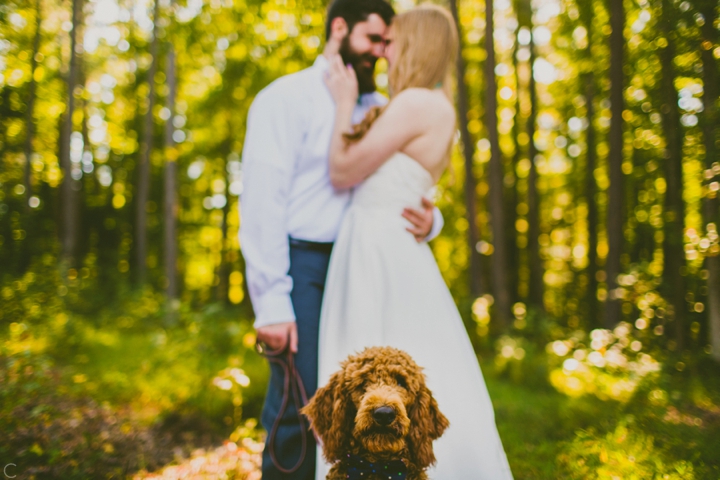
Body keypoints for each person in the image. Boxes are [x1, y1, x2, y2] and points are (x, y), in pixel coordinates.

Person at [239, 0, 445, 477]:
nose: (381, 52)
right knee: (303, 402)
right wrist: (271, 301)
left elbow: (402, 180)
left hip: (367, 268)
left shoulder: (380, 106)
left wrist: (433, 222)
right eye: (373, 39)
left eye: (387, 42)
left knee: (368, 410)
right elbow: (262, 202)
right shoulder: (284, 97)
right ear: (339, 28)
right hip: (304, 266)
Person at [316, 5, 514, 479]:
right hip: (395, 248)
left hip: (376, 254)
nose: (385, 51)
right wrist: (436, 218)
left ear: (416, 44)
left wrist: (343, 102)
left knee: (364, 366)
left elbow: (343, 172)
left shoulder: (415, 103)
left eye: (393, 41)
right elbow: (415, 188)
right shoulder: (434, 106)